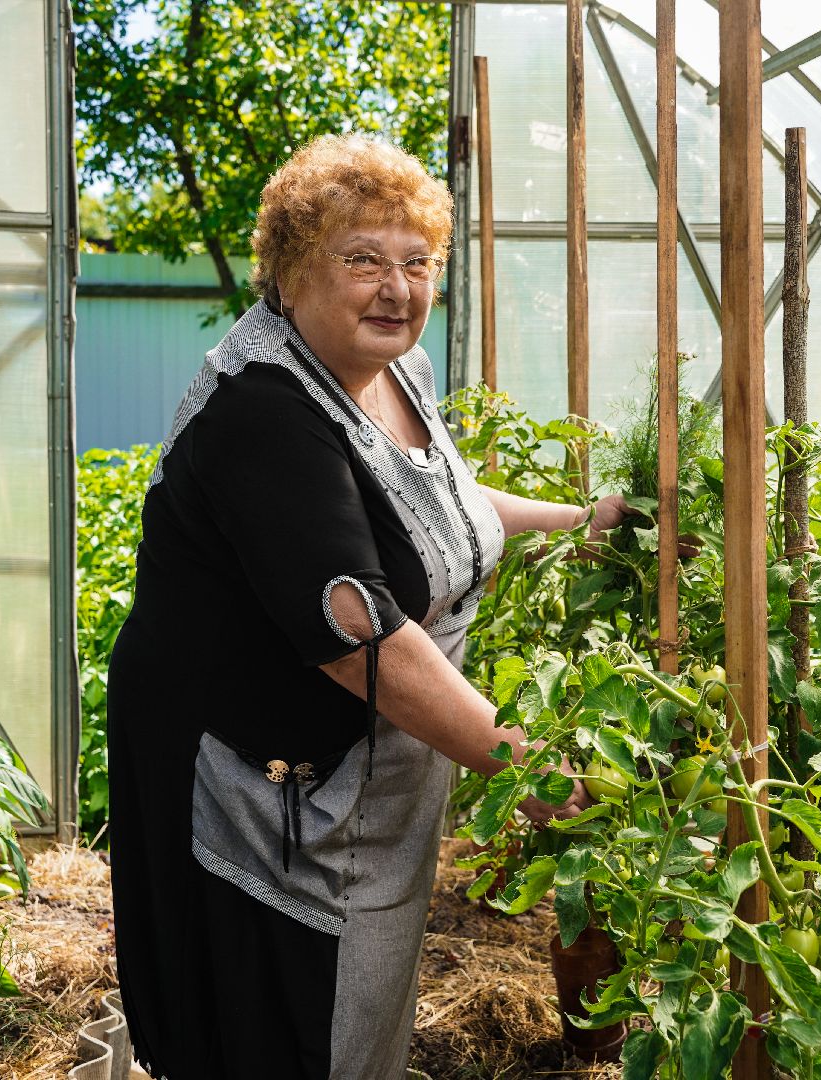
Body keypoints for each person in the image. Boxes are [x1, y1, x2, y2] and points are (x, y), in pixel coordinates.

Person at [106, 133, 630, 1080]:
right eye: (361, 261)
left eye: (416, 263)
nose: (396, 288)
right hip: (265, 787)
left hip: (368, 768)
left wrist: (577, 519)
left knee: (363, 1004)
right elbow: (359, 637)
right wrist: (516, 763)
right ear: (290, 275)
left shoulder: (396, 376)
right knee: (287, 1017)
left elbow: (433, 507)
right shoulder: (263, 413)